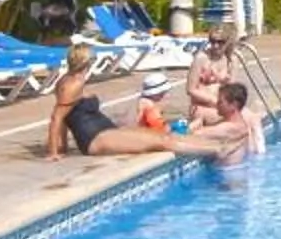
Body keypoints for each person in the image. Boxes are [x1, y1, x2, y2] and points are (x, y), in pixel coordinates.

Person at [45, 43, 257, 163]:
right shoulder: (71, 84)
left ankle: (219, 145)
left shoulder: (75, 80)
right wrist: (54, 152)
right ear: (87, 61)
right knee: (163, 142)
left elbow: (65, 118)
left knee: (166, 136)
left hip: (103, 130)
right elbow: (57, 118)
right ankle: (217, 150)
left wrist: (62, 146)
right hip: (94, 139)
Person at [184, 24, 238, 123]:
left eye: (220, 42)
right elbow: (190, 90)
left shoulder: (231, 61)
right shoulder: (201, 58)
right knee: (230, 121)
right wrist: (213, 101)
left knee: (249, 119)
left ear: (228, 42)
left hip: (222, 106)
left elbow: (232, 90)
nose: (215, 45)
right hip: (201, 106)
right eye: (212, 41)